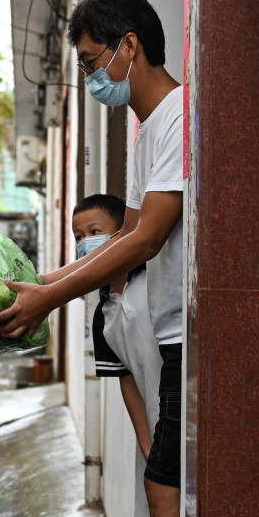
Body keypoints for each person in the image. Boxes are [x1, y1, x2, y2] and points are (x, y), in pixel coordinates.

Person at [0, 0, 184, 517]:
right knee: (167, 482)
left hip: (188, 340)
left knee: (164, 485)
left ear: (130, 45)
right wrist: (45, 282)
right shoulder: (150, 132)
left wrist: (48, 299)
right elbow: (125, 238)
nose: (91, 78)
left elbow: (145, 240)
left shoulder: (178, 116)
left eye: (91, 61)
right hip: (171, 338)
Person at [73, 194, 161, 460]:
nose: (86, 242)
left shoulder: (153, 285)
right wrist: (148, 447)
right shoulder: (102, 313)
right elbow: (128, 380)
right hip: (156, 431)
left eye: (95, 232)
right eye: (78, 237)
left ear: (124, 233)